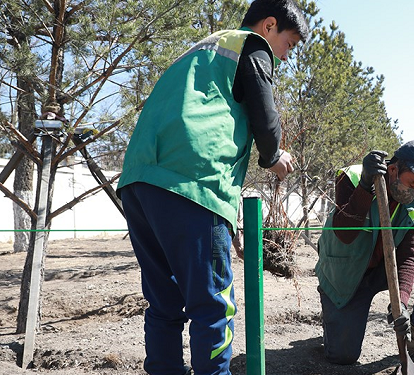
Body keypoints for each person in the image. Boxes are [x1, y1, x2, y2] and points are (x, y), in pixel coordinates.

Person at [116, 1, 309, 374]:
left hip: (139, 180)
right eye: (289, 44)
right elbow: (266, 119)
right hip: (193, 183)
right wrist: (273, 156)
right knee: (213, 305)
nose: (285, 56)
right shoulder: (252, 47)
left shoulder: (199, 52)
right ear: (269, 26)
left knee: (164, 303)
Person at [315, 139, 414, 365]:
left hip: (381, 269)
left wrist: (401, 303)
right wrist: (364, 186)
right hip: (344, 272)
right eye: (412, 183)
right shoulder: (351, 177)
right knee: (343, 356)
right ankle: (333, 320)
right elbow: (345, 233)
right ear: (393, 170)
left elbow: (408, 256)